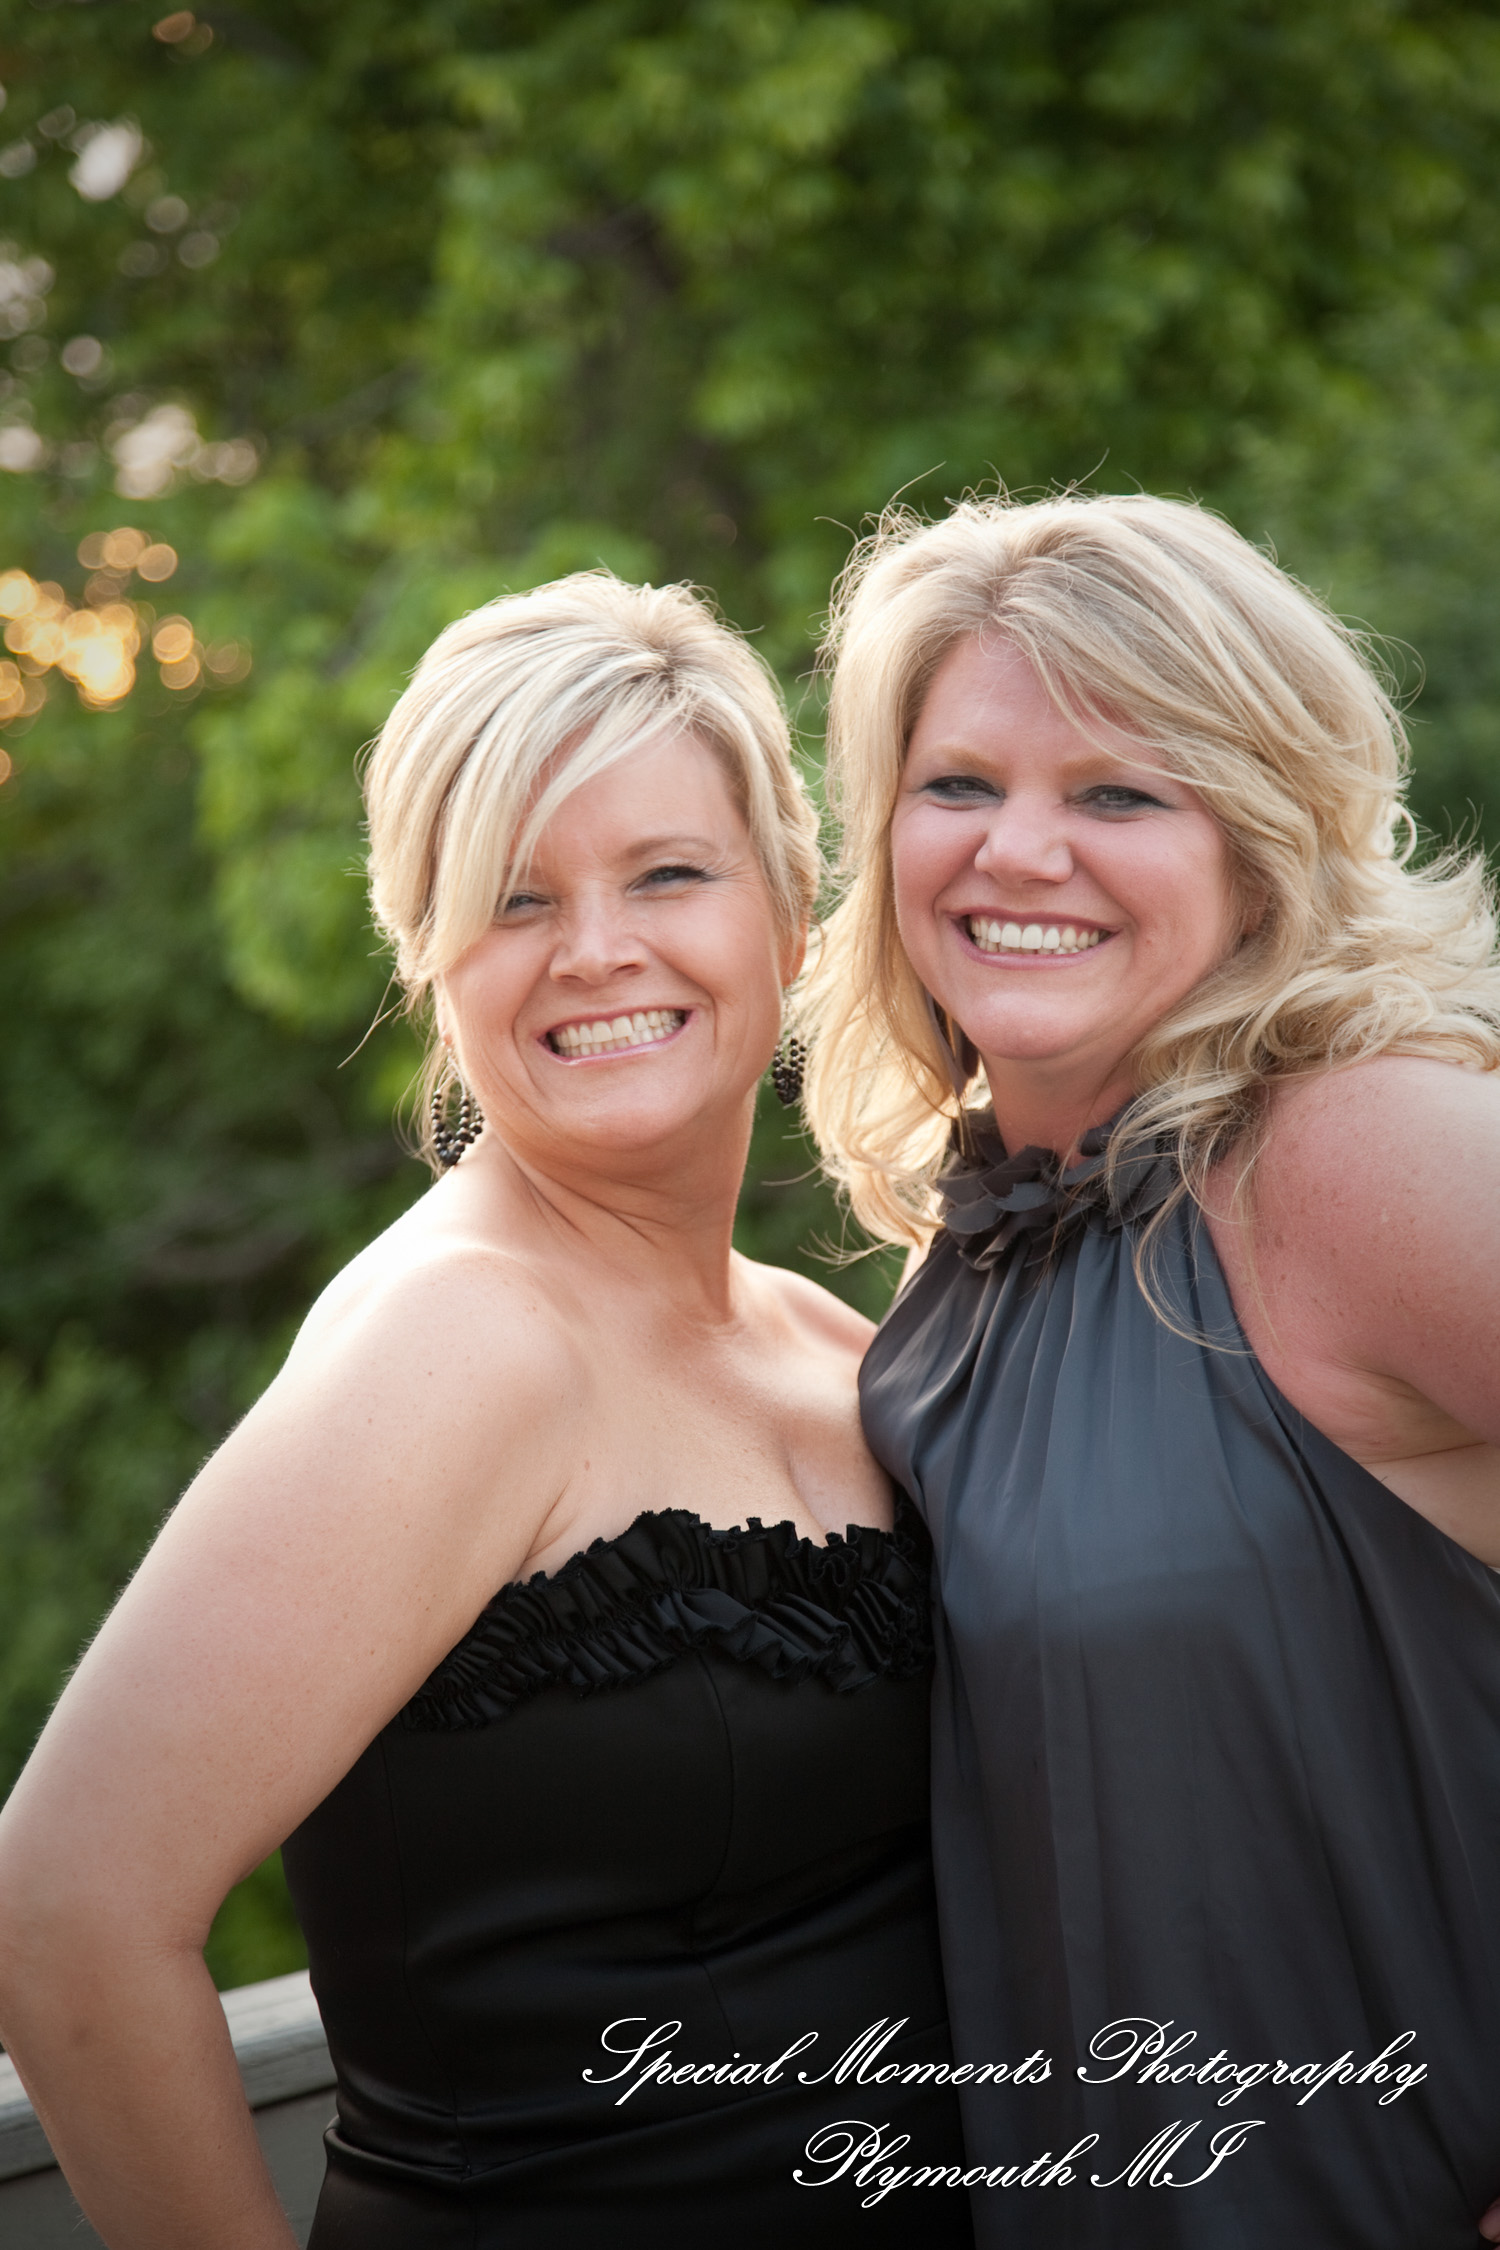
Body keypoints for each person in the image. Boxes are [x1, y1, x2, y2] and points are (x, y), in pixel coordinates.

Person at [0, 572, 974, 2250]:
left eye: (667, 873)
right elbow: (65, 1910)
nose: (597, 949)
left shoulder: (833, 1346)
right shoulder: (458, 1341)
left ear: (792, 913)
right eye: (515, 898)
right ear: (428, 955)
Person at [798, 492, 1500, 2249]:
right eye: (960, 784)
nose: (1018, 852)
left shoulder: (1352, 1149)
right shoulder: (972, 1250)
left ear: (1259, 842)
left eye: (1118, 793)